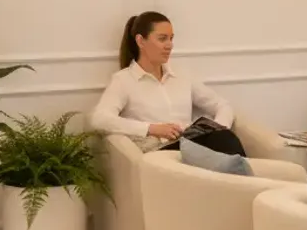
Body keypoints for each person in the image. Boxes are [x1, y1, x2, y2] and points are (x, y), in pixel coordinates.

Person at [90, 11, 246, 157]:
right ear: (140, 41)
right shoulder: (123, 80)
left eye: (171, 38)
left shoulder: (182, 76)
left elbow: (222, 105)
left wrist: (217, 127)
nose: (169, 45)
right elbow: (100, 119)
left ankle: (249, 181)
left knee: (223, 138)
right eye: (162, 38)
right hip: (163, 153)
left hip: (191, 142)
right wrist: (151, 129)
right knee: (223, 144)